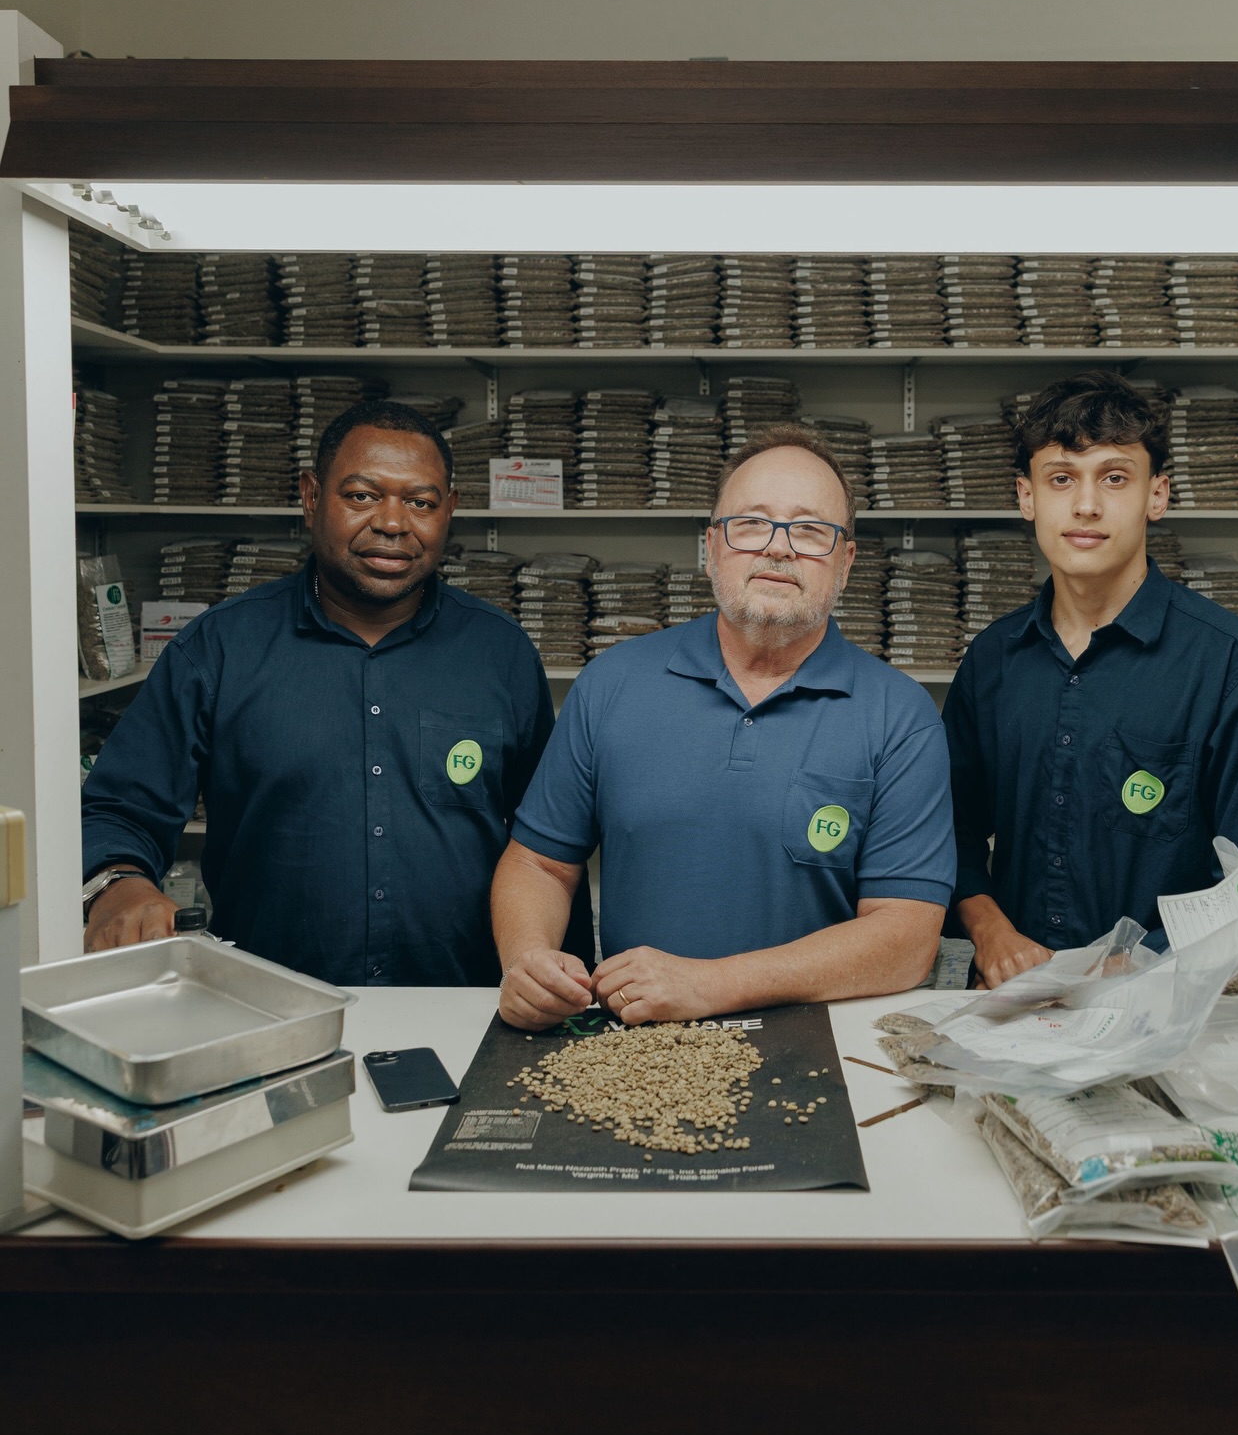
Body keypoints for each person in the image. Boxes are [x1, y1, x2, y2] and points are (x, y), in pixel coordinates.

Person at [81, 399, 591, 987]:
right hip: (269, 1004)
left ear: (449, 511)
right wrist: (117, 884)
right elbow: (120, 807)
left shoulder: (500, 654)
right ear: (311, 496)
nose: (393, 524)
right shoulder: (219, 648)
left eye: (420, 503)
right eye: (362, 496)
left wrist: (564, 989)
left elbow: (549, 846)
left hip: (466, 1004)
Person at [492, 423, 956, 1029]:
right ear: (710, 546)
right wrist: (527, 961)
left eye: (811, 530)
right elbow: (539, 865)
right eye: (752, 523)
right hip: (638, 1041)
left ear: (845, 564)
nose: (779, 548)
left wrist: (711, 984)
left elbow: (906, 937)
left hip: (825, 1045)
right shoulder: (612, 685)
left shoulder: (901, 716)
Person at [942, 369, 1238, 991]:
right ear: (1027, 498)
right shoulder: (993, 660)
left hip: (1166, 1007)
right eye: (1060, 479)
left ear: (1155, 495)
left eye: (1114, 477)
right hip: (1011, 1002)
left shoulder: (1233, 666)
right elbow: (949, 832)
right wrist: (990, 931)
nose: (1086, 505)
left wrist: (1144, 962)